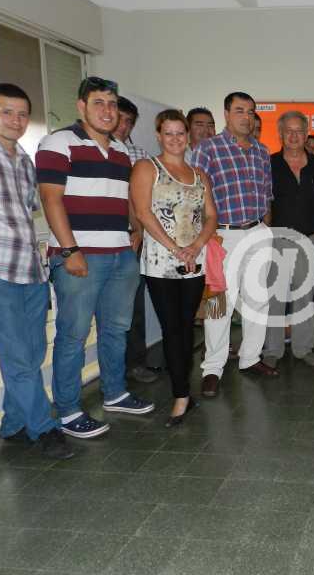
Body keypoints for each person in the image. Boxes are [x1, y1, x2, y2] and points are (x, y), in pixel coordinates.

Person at [37, 76, 154, 439]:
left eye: (112, 104)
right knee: (73, 335)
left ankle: (115, 392)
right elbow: (51, 199)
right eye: (98, 103)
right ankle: (69, 411)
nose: (107, 110)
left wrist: (135, 230)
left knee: (116, 330)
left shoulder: (120, 150)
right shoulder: (59, 142)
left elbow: (125, 198)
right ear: (81, 106)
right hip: (80, 256)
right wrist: (70, 249)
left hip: (120, 254)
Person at [0, 83, 73, 459]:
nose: (16, 120)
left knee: (32, 353)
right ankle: (44, 428)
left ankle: (13, 423)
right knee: (19, 358)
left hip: (29, 271)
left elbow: (24, 214)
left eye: (23, 114)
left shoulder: (25, 161)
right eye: (7, 112)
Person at [131, 109, 217, 426]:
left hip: (194, 261)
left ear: (187, 136)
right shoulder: (146, 168)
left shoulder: (199, 175)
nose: (175, 138)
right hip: (161, 263)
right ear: (159, 135)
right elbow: (143, 213)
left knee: (185, 325)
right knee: (172, 328)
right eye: (168, 133)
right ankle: (181, 395)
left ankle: (184, 391)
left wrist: (195, 247)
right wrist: (176, 249)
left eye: (180, 132)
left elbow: (211, 216)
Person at [191, 91, 277, 397]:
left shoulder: (262, 151)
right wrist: (205, 237)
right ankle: (213, 367)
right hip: (222, 236)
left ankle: (250, 357)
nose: (246, 117)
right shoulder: (207, 149)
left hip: (257, 231)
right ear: (226, 114)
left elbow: (266, 194)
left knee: (257, 299)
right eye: (240, 110)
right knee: (218, 304)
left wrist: (266, 229)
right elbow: (195, 197)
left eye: (251, 112)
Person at [263, 111, 314, 369]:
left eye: (299, 131)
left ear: (306, 134)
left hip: (308, 238)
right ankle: (273, 349)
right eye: (288, 131)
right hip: (276, 239)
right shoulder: (269, 164)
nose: (293, 136)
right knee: (276, 296)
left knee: (305, 295)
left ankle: (303, 348)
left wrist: (313, 223)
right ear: (280, 134)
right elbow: (264, 201)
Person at [113, 95, 162, 385]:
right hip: (99, 240)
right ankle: (112, 370)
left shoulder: (140, 156)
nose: (123, 126)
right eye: (120, 119)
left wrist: (139, 230)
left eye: (129, 122)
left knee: (134, 305)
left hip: (134, 237)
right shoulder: (90, 149)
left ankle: (135, 363)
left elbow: (147, 201)